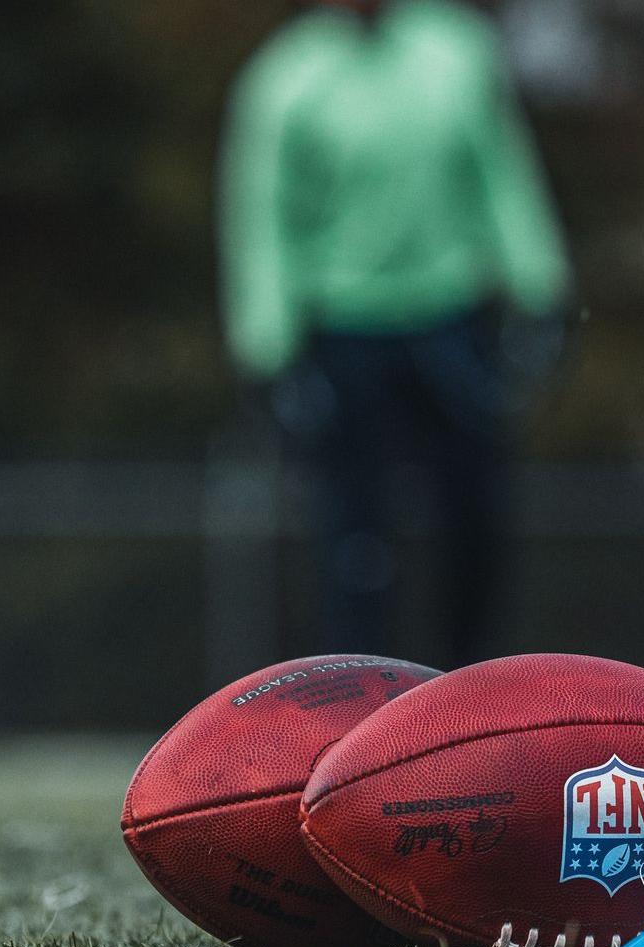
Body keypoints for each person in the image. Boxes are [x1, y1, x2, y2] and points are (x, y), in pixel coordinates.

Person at [219, 0, 572, 665]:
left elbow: (504, 176)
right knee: (355, 539)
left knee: (475, 518)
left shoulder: (458, 52)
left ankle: (476, 693)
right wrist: (264, 346)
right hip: (343, 329)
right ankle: (360, 711)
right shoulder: (285, 78)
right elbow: (260, 219)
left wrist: (540, 285)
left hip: (452, 319)